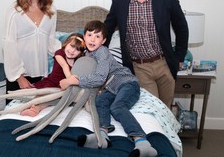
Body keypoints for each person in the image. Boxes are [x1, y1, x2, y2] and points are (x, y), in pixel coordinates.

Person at [60, 20, 157, 157]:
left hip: (127, 84)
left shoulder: (102, 52)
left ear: (104, 40)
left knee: (117, 107)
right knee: (100, 102)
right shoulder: (87, 55)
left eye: (98, 36)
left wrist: (75, 80)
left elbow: (99, 77)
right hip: (110, 88)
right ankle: (102, 135)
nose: (93, 39)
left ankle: (142, 141)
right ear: (84, 37)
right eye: (89, 35)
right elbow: (93, 77)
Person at [104, 0, 189, 108]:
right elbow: (106, 32)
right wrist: (100, 58)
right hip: (139, 67)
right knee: (153, 109)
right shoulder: (119, 2)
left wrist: (179, 57)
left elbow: (181, 28)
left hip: (165, 64)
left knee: (166, 109)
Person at [2, 0, 61, 93]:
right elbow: (9, 45)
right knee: (16, 113)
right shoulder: (14, 12)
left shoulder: (51, 11)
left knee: (40, 112)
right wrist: (19, 77)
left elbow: (51, 42)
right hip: (20, 78)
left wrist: (70, 54)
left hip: (42, 75)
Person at [20, 33, 85, 117]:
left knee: (51, 100)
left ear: (80, 53)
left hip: (63, 87)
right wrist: (69, 78)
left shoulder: (77, 61)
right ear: (66, 44)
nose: (72, 51)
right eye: (72, 46)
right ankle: (30, 107)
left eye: (77, 49)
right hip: (52, 82)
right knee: (43, 94)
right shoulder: (59, 53)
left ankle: (36, 109)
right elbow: (64, 66)